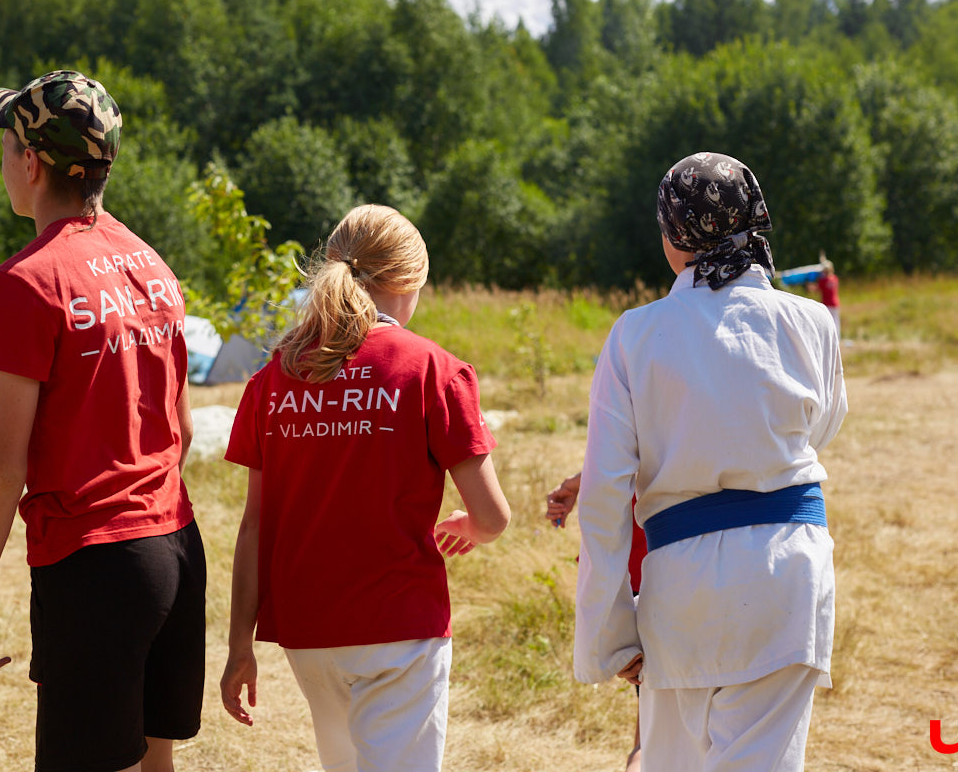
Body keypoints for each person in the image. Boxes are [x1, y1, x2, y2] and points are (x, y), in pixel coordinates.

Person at [0, 70, 205, 772]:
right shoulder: (152, 264)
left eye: (5, 147)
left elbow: (1, 468)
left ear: (30, 163)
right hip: (176, 548)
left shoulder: (25, 282)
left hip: (96, 565)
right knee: (155, 763)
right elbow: (183, 429)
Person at [572, 152, 846, 771]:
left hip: (681, 585)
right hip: (786, 573)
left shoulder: (635, 335)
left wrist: (609, 636)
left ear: (672, 235)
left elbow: (604, 497)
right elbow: (821, 427)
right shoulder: (812, 322)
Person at [220, 204, 511, 772]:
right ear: (410, 283)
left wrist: (238, 648)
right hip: (399, 627)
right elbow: (493, 518)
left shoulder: (275, 375)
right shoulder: (431, 368)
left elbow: (255, 526)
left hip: (308, 632)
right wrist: (466, 528)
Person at [546, 475, 645, 772]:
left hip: (644, 571)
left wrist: (579, 481)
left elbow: (620, 458)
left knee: (649, 742)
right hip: (748, 557)